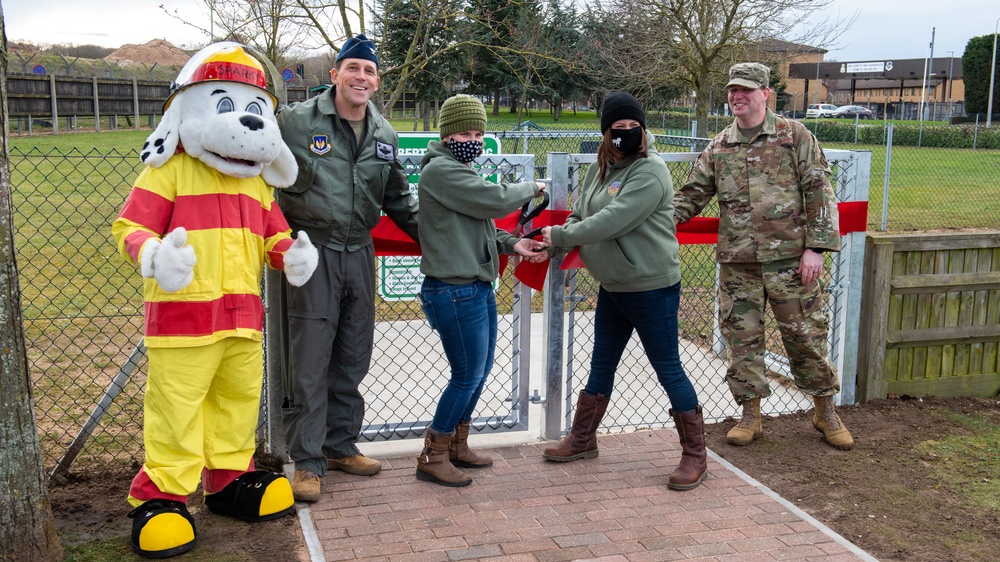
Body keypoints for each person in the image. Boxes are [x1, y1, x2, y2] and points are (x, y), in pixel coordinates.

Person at [672, 62, 853, 451]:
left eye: (746, 90)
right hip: (740, 264)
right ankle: (750, 415)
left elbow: (820, 191)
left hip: (792, 261)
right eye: (732, 91)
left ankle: (825, 410)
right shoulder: (720, 145)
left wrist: (816, 248)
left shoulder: (794, 135)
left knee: (806, 337)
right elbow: (691, 195)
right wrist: (649, 221)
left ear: (765, 94)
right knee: (743, 341)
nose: (737, 97)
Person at [275, 34, 420, 502]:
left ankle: (340, 446)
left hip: (359, 252)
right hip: (311, 253)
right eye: (353, 68)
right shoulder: (294, 123)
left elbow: (399, 200)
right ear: (334, 74)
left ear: (377, 83)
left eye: (370, 72)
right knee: (310, 360)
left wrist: (446, 243)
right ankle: (309, 462)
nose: (362, 77)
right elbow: (255, 171)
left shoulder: (384, 134)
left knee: (353, 354)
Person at [539, 92, 707, 491]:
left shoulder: (650, 171)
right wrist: (552, 242)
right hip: (613, 285)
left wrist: (559, 234)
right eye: (619, 128)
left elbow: (613, 220)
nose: (627, 133)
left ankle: (695, 455)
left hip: (650, 286)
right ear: (606, 132)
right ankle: (582, 440)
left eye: (634, 127)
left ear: (643, 130)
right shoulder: (602, 167)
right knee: (602, 363)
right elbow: (582, 213)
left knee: (667, 368)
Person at [414, 94, 549, 487]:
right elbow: (494, 201)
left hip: (476, 287)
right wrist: (534, 186)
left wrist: (514, 245)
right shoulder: (441, 171)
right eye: (464, 132)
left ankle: (457, 444)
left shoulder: (460, 170)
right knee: (466, 374)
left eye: (478, 132)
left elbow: (482, 226)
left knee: (479, 370)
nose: (472, 139)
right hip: (453, 290)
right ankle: (432, 453)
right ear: (447, 134)